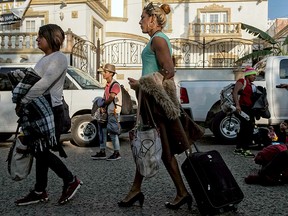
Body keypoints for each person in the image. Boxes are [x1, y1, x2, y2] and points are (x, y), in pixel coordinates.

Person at [118, 2, 192, 210]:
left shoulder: (158, 39)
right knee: (152, 144)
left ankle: (180, 191)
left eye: (142, 17)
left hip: (154, 103)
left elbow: (169, 70)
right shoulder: (156, 39)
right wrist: (140, 84)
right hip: (152, 100)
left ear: (152, 19)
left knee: (155, 144)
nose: (139, 21)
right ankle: (140, 189)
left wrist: (142, 83)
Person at [14, 24, 82, 206]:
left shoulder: (59, 58)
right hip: (39, 109)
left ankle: (69, 180)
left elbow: (44, 84)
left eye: (40, 36)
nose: (37, 39)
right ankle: (39, 190)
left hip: (52, 110)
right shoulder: (44, 59)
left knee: (41, 150)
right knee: (39, 148)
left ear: (52, 38)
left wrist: (23, 100)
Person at [91, 63, 122, 161]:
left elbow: (111, 97)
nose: (103, 74)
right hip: (108, 111)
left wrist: (103, 105)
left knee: (113, 132)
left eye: (105, 72)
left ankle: (117, 152)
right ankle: (102, 151)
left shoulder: (115, 84)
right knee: (102, 130)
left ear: (111, 73)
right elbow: (106, 97)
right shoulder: (108, 85)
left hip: (113, 111)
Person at [232, 66, 257, 157]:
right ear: (248, 75)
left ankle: (238, 148)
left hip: (248, 108)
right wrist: (238, 105)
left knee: (244, 128)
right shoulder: (242, 82)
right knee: (248, 128)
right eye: (253, 75)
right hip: (242, 108)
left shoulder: (251, 85)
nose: (255, 77)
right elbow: (235, 92)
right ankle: (246, 149)